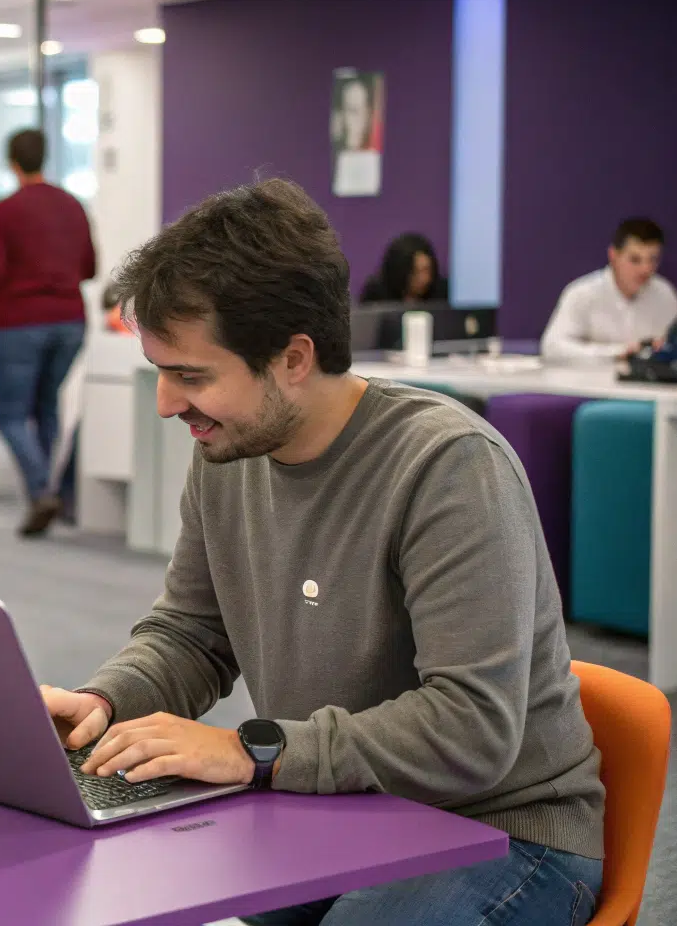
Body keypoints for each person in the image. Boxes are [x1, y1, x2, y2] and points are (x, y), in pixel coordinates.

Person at [40, 178, 604, 925]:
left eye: (191, 376)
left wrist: (254, 752)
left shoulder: (447, 466)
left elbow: (471, 729)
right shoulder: (226, 454)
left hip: (501, 828)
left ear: (293, 358)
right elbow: (190, 635)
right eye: (160, 374)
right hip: (333, 805)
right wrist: (103, 702)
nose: (166, 405)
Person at [0, 128, 97, 537]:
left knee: (10, 415)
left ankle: (42, 490)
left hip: (20, 321)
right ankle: (46, 494)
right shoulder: (73, 206)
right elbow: (90, 268)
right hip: (70, 320)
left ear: (12, 163)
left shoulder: (2, 212)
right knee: (46, 407)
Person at [541, 218, 675, 363]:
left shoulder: (664, 294)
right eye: (635, 260)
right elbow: (552, 348)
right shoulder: (582, 293)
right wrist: (616, 352)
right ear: (613, 255)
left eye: (653, 259)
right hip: (588, 382)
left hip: (647, 383)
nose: (645, 269)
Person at [358, 232, 449, 304]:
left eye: (427, 270)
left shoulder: (442, 294)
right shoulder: (376, 295)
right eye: (415, 273)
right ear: (399, 272)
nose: (424, 279)